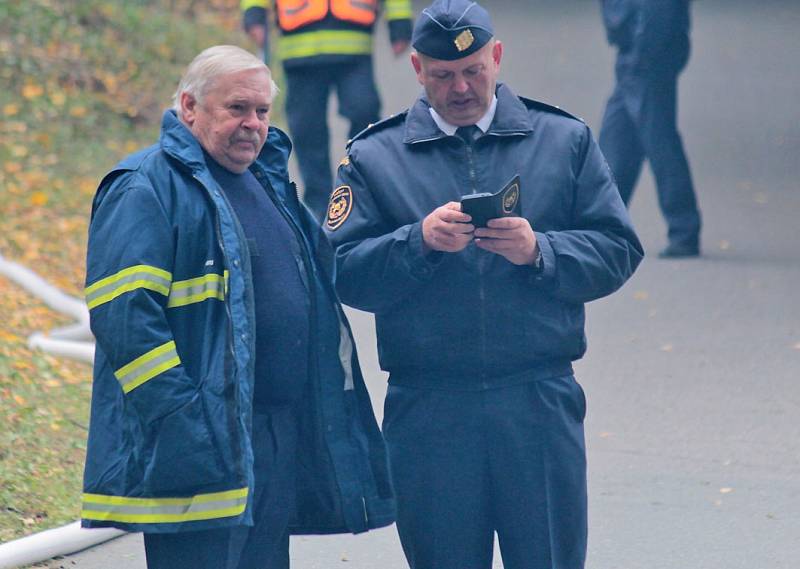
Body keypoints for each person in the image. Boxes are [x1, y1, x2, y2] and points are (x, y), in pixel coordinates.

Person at [323, 1, 644, 567]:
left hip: (538, 400)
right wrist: (415, 243)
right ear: (418, 70)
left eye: (474, 70)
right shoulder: (373, 157)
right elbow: (340, 270)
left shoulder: (563, 139)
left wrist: (539, 250)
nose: (462, 87)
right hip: (429, 407)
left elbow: (618, 247)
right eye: (444, 75)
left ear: (496, 57)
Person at [80, 45, 395, 569]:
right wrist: (185, 426)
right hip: (198, 446)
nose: (253, 124)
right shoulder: (145, 186)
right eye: (237, 109)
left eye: (263, 111)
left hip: (271, 439)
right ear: (188, 107)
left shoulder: (265, 183)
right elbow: (124, 321)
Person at [241, 0, 414, 220]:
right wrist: (254, 11)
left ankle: (361, 192)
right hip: (299, 48)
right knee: (307, 130)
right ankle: (319, 207)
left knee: (365, 115)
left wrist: (399, 20)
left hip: (354, 44)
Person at [598, 0, 702, 258]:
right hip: (640, 41)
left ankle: (683, 228)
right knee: (621, 133)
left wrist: (643, 41)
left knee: (657, 137)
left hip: (645, 43)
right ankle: (602, 223)